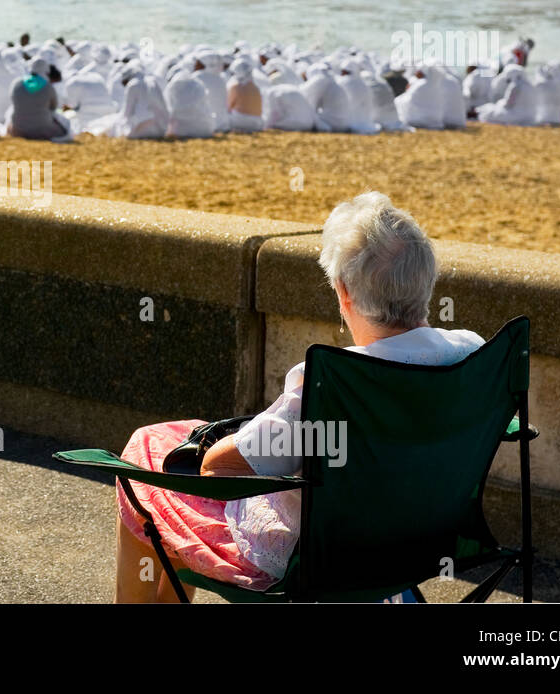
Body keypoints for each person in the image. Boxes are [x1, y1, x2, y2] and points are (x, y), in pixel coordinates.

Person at [112, 191, 484, 602]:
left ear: (344, 293)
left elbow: (220, 468)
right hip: (418, 540)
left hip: (317, 556)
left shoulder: (335, 384)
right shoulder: (472, 356)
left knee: (147, 452)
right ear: (426, 280)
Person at [6, 69, 71, 140]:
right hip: (42, 131)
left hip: (18, 131)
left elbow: (12, 102)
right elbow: (53, 107)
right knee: (64, 126)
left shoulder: (17, 83)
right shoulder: (48, 86)